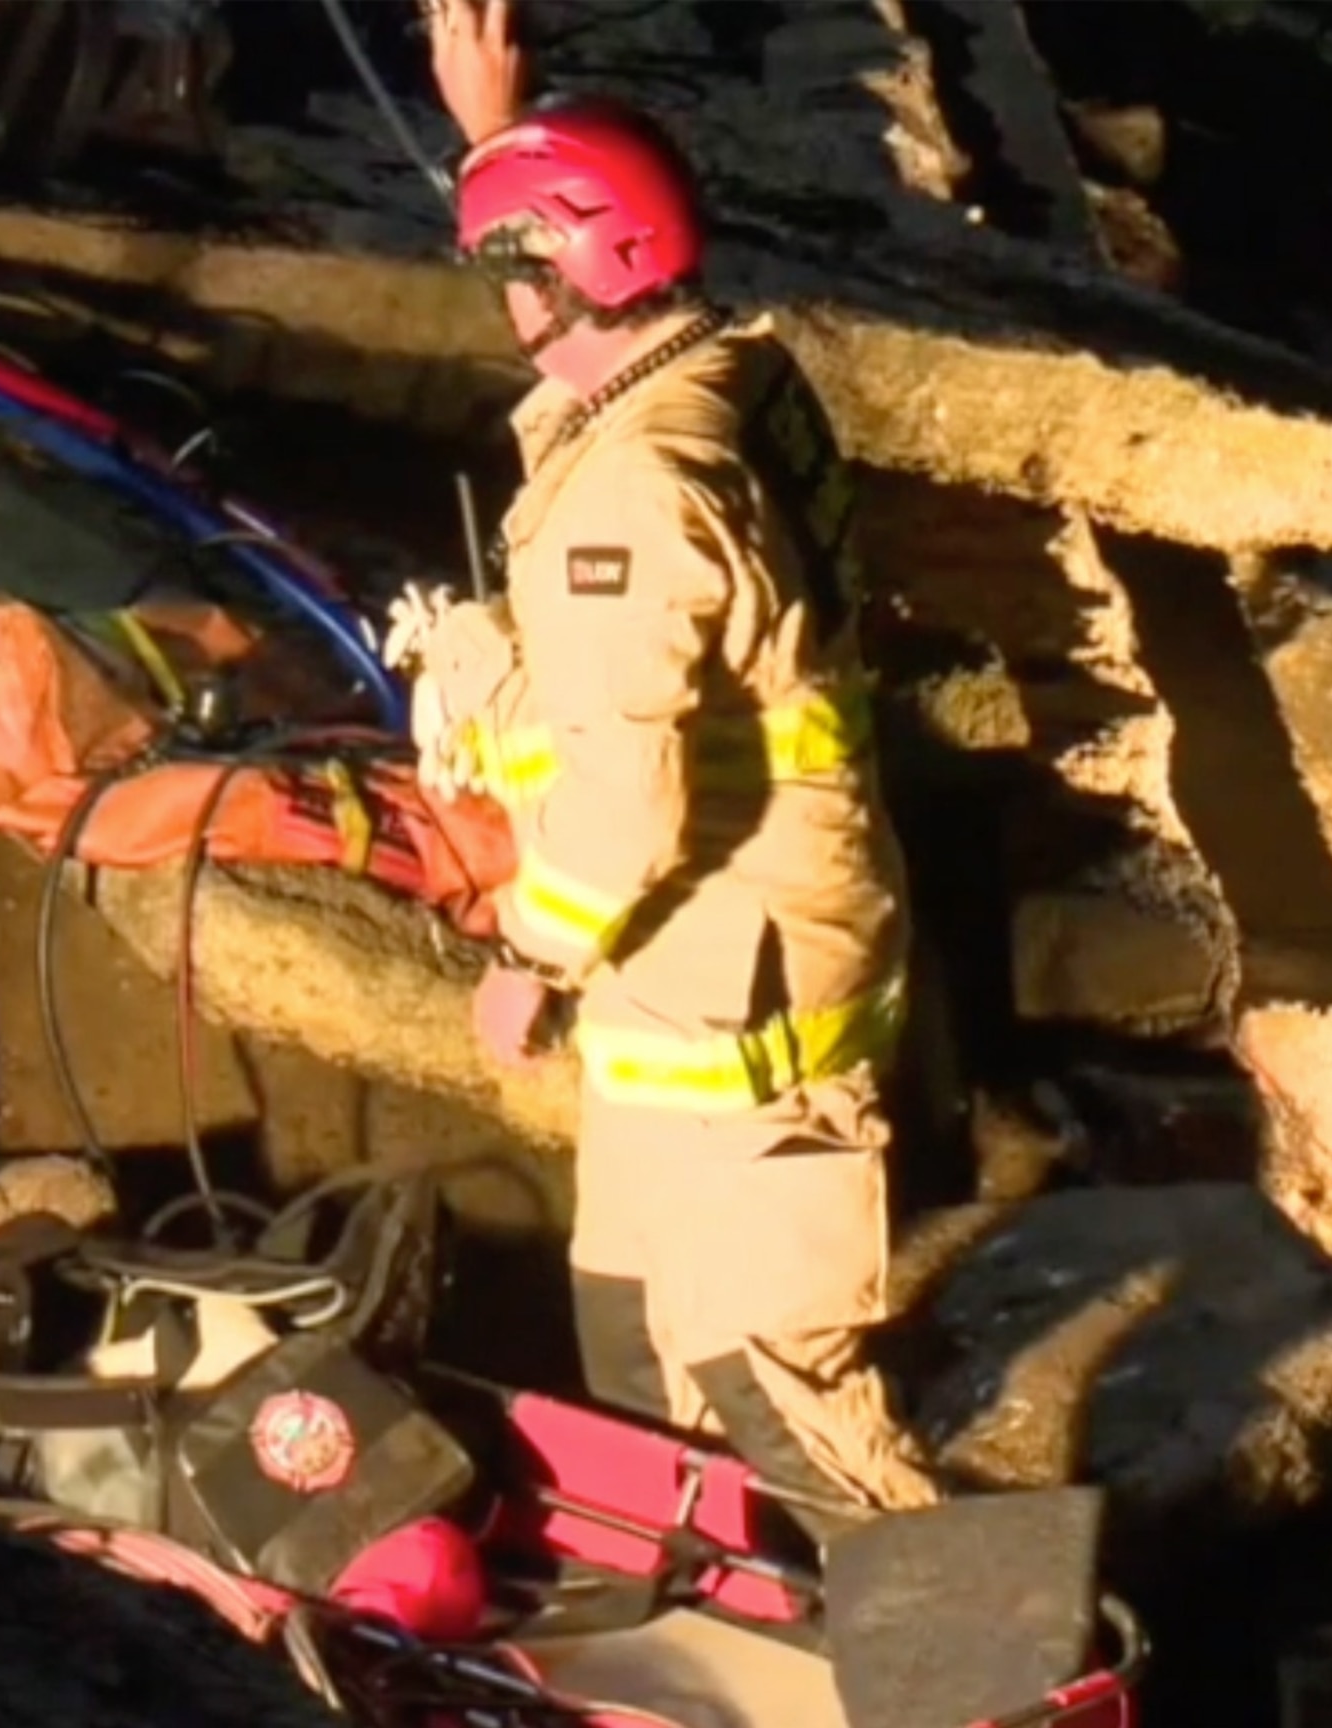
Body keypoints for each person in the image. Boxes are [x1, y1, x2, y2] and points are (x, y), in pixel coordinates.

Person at [389, 0, 944, 1539]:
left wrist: (527, 956)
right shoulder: (732, 375)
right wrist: (495, 140)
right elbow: (584, 263)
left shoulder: (628, 502)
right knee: (633, 1343)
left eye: (508, 273)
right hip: (711, 971)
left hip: (734, 997)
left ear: (555, 281)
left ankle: (965, 1689)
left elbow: (623, 815)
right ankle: (700, 1647)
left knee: (783, 1398)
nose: (498, 303)